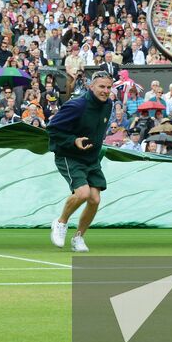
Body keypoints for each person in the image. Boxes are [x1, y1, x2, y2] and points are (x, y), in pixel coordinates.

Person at [46, 72, 115, 253]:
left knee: (94, 199)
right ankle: (61, 222)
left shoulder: (109, 105)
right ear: (91, 87)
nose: (105, 91)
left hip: (91, 158)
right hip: (69, 155)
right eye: (101, 87)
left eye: (108, 87)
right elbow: (52, 129)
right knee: (83, 193)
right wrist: (73, 141)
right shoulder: (77, 105)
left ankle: (78, 238)